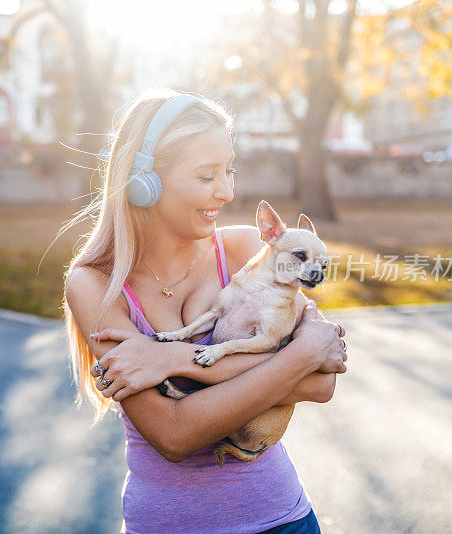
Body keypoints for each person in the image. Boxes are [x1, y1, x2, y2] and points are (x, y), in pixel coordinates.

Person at [63, 89, 348, 534]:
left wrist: (173, 360)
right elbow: (174, 435)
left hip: (285, 520)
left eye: (230, 171)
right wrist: (295, 359)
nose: (228, 191)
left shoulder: (247, 250)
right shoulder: (95, 284)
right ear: (145, 179)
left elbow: (323, 379)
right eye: (206, 175)